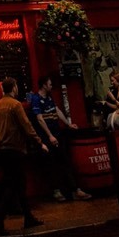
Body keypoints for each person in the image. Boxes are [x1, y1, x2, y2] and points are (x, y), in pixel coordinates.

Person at [0, 77, 48, 236]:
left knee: (18, 184)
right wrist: (39, 142)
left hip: (1, 149)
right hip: (14, 149)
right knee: (14, 184)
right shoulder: (15, 105)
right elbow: (26, 126)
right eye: (16, 86)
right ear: (14, 88)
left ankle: (27, 217)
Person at [29, 75, 92, 203]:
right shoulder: (36, 99)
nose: (51, 87)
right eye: (50, 84)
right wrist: (49, 136)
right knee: (51, 164)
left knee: (65, 161)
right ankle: (56, 191)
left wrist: (68, 124)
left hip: (57, 133)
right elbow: (39, 119)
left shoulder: (50, 98)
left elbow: (57, 111)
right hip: (47, 137)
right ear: (44, 85)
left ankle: (75, 190)